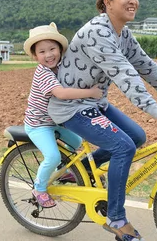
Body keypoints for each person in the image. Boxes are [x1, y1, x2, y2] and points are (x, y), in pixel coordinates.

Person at [48, 0, 157, 241]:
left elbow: (144, 65)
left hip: (95, 104)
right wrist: (155, 109)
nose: (133, 1)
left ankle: (78, 170)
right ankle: (116, 219)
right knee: (123, 147)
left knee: (137, 137)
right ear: (107, 3)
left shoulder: (122, 33)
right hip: (71, 106)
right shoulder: (97, 32)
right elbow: (124, 73)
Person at [23, 22, 103, 208]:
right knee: (52, 156)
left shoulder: (61, 67)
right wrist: (90, 93)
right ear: (35, 56)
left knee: (76, 143)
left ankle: (63, 172)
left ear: (60, 49)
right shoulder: (43, 73)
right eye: (42, 52)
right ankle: (39, 188)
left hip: (57, 121)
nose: (49, 55)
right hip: (38, 124)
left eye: (52, 49)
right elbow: (61, 93)